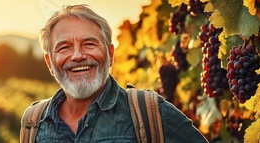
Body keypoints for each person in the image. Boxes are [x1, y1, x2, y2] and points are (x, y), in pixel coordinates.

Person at [21, 4, 208, 142]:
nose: (77, 55)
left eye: (89, 44)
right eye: (64, 47)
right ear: (50, 63)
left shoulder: (150, 112)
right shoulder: (33, 123)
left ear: (110, 54)